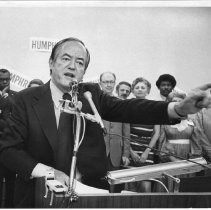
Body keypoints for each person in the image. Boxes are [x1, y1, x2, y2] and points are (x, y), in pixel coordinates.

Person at [0, 37, 211, 207]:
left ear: (84, 71)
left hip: (92, 196)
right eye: (65, 59)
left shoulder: (91, 95)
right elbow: (8, 150)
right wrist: (49, 172)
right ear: (51, 63)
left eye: (80, 62)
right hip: (40, 196)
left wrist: (178, 108)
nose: (72, 66)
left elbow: (130, 108)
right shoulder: (25, 99)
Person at [126, 77, 160, 192]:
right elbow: (124, 131)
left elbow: (157, 133)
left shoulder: (154, 108)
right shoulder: (127, 107)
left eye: (143, 87)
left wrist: (147, 152)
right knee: (131, 187)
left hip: (147, 150)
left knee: (146, 187)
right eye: (137, 87)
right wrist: (131, 152)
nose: (140, 90)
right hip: (131, 149)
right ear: (133, 90)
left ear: (148, 90)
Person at [158, 91, 195, 191]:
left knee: (185, 185)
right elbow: (161, 141)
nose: (178, 103)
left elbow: (196, 141)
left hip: (187, 157)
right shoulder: (165, 120)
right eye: (175, 101)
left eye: (180, 101)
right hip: (170, 155)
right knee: (170, 184)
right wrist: (169, 156)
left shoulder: (192, 120)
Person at [99, 72, 130, 192]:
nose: (108, 85)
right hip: (99, 149)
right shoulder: (93, 102)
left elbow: (126, 132)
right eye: (106, 82)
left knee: (115, 183)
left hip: (116, 150)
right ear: (100, 83)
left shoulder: (122, 103)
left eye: (111, 82)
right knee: (99, 182)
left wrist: (126, 153)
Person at [0, 68, 16, 208]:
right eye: (1, 79)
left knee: (12, 187)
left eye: (7, 79)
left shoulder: (15, 96)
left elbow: (16, 122)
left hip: (11, 149)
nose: (5, 81)